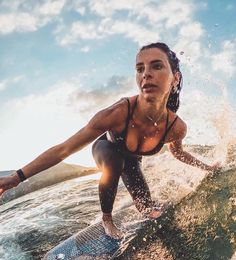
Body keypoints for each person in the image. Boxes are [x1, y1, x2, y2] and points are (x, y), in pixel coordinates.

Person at [0, 42, 219, 239]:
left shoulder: (176, 128)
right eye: (140, 69)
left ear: (176, 78)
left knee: (148, 209)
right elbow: (64, 149)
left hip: (132, 160)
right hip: (106, 149)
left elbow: (178, 153)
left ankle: (145, 210)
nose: (146, 74)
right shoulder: (117, 113)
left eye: (156, 66)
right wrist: (17, 177)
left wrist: (207, 167)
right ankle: (107, 218)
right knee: (115, 161)